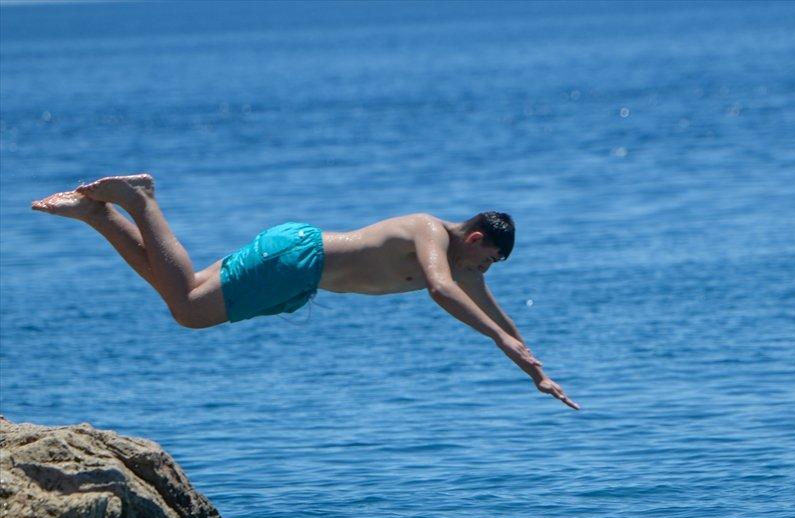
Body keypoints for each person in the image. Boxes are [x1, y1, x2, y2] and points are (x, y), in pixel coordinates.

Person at [31, 174, 579, 410]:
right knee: (190, 309)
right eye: (485, 259)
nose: (482, 272)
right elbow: (439, 288)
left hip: (297, 270)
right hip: (300, 259)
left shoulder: (466, 267)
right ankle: (140, 200)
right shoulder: (431, 234)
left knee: (186, 293)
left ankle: (98, 215)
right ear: (476, 237)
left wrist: (535, 369)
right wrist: (500, 344)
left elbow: (495, 315)